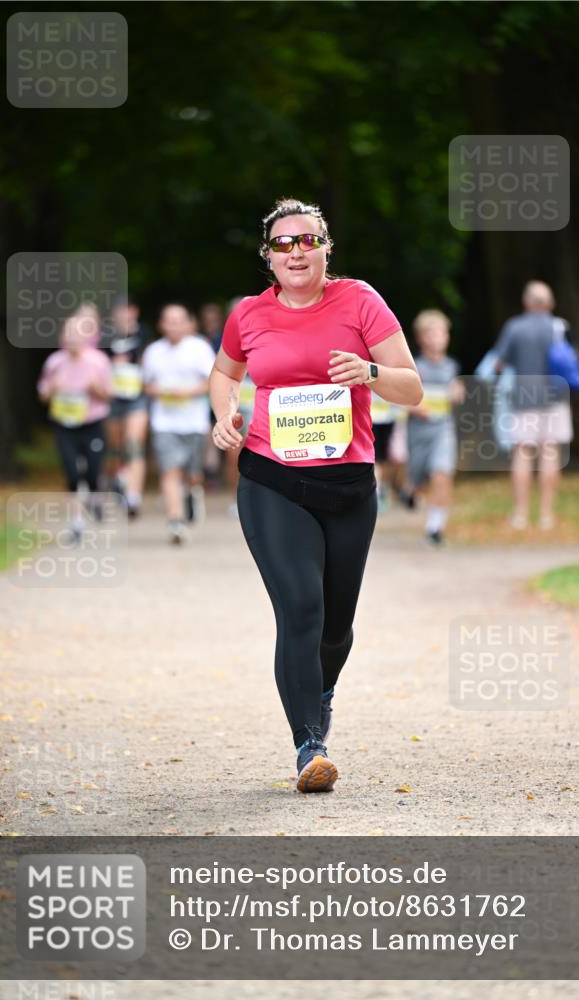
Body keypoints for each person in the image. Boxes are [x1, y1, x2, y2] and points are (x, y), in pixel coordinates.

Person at [209, 197, 422, 793]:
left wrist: (370, 372)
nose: (296, 252)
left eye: (308, 241)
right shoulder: (249, 314)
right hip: (271, 479)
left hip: (348, 484)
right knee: (301, 607)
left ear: (327, 248)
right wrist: (225, 414)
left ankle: (320, 692)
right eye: (283, 244)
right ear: (268, 257)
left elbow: (412, 388)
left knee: (335, 627)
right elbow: (225, 372)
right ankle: (310, 747)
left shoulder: (360, 301)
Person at [493, 281, 573, 530]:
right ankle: (546, 515)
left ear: (526, 302)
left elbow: (498, 363)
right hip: (556, 397)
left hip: (524, 398)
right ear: (550, 303)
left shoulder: (515, 327)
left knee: (523, 453)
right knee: (550, 452)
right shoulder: (560, 327)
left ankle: (521, 514)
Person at [142, 304, 215, 544]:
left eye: (179, 320)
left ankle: (192, 493)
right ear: (161, 325)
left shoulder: (200, 348)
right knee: (170, 470)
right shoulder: (153, 351)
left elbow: (213, 381)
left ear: (188, 323)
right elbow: (146, 385)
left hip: (194, 423)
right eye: (169, 321)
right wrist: (163, 392)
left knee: (192, 474)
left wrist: (187, 392)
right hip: (164, 423)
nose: (174, 326)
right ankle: (175, 521)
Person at [37, 312, 112, 539]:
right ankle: (76, 523)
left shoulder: (98, 360)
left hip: (92, 423)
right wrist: (52, 388)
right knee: (72, 473)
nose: (73, 338)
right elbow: (43, 395)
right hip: (64, 424)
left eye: (78, 333)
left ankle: (94, 497)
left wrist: (96, 389)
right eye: (69, 333)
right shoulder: (55, 362)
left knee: (93, 472)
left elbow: (110, 395)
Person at [405, 310, 465, 545]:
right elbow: (399, 398)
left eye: (441, 333)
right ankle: (411, 491)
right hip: (418, 431)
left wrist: (458, 393)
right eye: (431, 333)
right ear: (421, 338)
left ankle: (435, 528)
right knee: (418, 477)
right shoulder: (414, 366)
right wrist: (414, 406)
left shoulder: (452, 366)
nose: (437, 338)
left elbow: (456, 392)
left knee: (442, 473)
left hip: (443, 428)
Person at [103, 297, 151, 518]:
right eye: (120, 311)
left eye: (128, 310)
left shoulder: (144, 333)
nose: (124, 315)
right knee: (115, 447)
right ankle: (117, 478)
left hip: (136, 396)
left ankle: (133, 496)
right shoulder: (105, 336)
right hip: (112, 397)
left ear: (135, 311)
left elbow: (147, 360)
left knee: (134, 443)